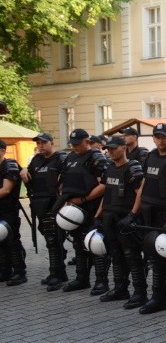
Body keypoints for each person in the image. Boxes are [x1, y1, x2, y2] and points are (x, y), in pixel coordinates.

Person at [121, 123, 166, 319]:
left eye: (164, 136)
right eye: (157, 137)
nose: (161, 140)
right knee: (155, 258)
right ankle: (159, 298)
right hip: (149, 215)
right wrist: (133, 213)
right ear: (153, 138)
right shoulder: (151, 156)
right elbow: (143, 186)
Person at [95, 135, 145, 304]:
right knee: (115, 255)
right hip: (110, 216)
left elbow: (140, 194)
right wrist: (98, 215)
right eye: (108, 149)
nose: (110, 152)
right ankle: (120, 289)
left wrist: (132, 215)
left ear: (123, 148)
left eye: (113, 148)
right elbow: (107, 193)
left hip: (126, 218)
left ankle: (139, 293)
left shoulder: (133, 167)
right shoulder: (109, 168)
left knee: (132, 256)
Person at [57, 129, 109, 294]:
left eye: (78, 144)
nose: (75, 147)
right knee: (78, 243)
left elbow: (104, 184)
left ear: (87, 141)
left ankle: (101, 281)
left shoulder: (96, 158)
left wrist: (85, 199)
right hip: (74, 208)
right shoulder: (70, 157)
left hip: (91, 208)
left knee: (94, 243)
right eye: (72, 144)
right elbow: (63, 179)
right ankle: (81, 278)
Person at [21, 132, 67, 290]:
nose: (40, 145)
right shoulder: (36, 160)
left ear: (51, 143)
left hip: (55, 204)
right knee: (50, 239)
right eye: (38, 143)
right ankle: (59, 272)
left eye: (43, 142)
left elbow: (66, 182)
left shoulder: (61, 159)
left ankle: (56, 274)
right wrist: (24, 173)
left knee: (54, 239)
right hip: (40, 204)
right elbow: (30, 178)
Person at [0, 140, 26, 285]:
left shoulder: (9, 165)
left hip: (8, 209)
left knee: (11, 240)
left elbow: (6, 190)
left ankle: (19, 272)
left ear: (3, 150)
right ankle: (4, 271)